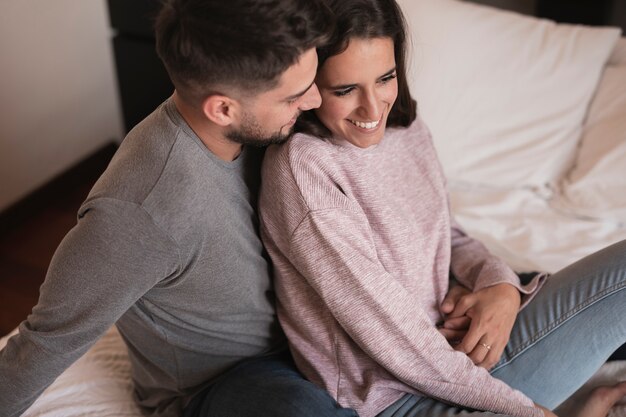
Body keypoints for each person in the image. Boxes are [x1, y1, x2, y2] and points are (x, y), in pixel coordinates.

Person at [258, 0, 626, 416]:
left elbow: (446, 232)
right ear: (307, 86)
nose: (373, 108)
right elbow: (391, 337)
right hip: (398, 398)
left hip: (463, 354)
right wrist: (526, 411)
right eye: (344, 90)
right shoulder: (304, 168)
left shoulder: (406, 130)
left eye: (385, 78)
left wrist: (500, 287)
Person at [0, 1, 360, 417]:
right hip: (225, 382)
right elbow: (44, 342)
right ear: (223, 108)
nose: (315, 99)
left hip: (306, 334)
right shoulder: (137, 212)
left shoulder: (266, 129)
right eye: (295, 95)